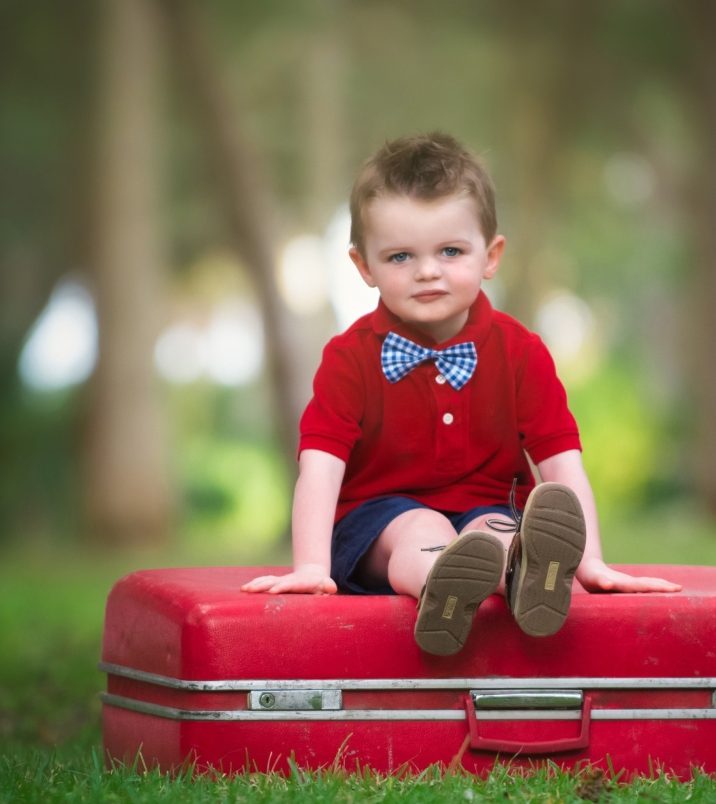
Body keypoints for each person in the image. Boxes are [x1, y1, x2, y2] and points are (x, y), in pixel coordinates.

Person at [243, 133, 679, 655]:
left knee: (499, 532)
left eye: (450, 251)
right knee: (418, 529)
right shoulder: (349, 357)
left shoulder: (521, 352)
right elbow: (320, 468)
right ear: (364, 267)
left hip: (488, 506)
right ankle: (441, 583)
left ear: (490, 255)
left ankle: (521, 577)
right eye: (401, 256)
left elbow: (562, 466)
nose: (428, 271)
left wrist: (591, 564)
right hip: (380, 520)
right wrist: (312, 566)